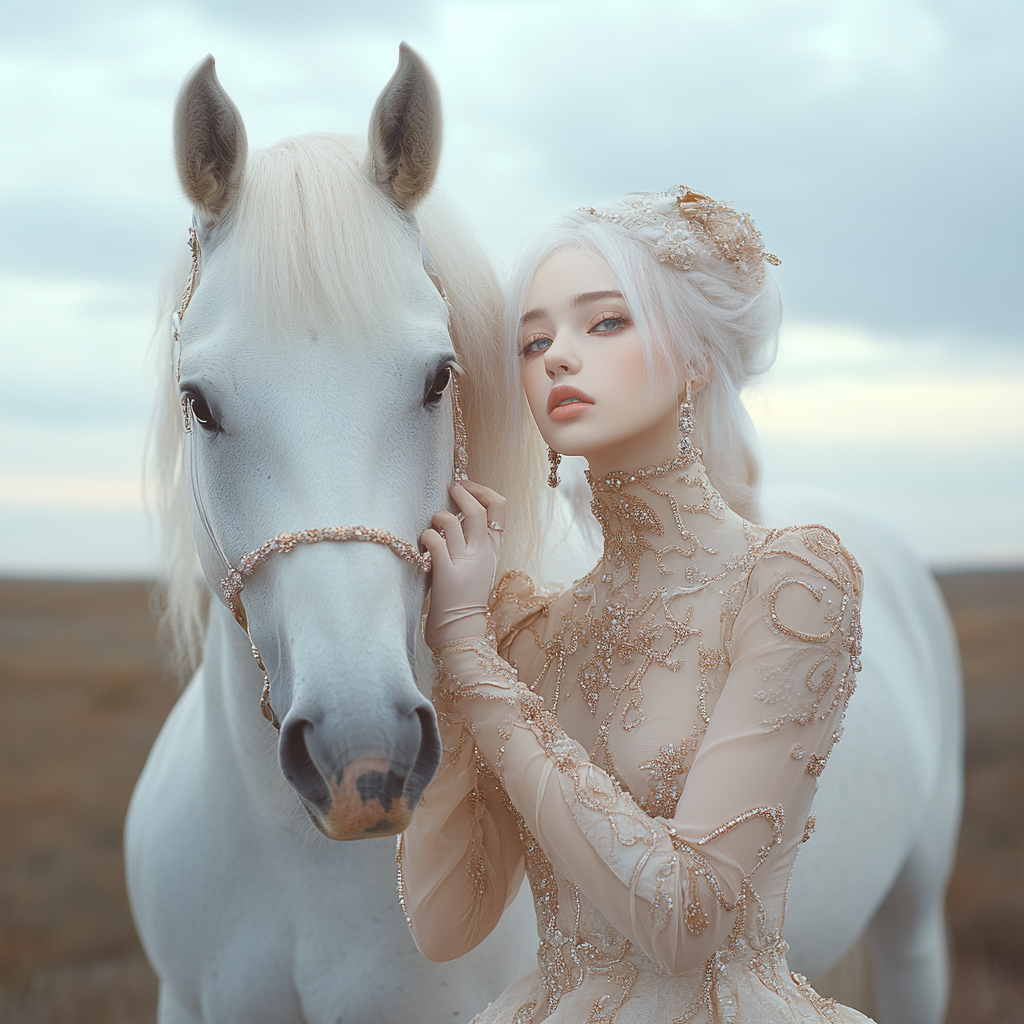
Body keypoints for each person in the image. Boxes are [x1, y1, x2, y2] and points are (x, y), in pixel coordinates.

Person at [399, 186, 871, 1023]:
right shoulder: (530, 633)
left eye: (604, 322)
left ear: (696, 358)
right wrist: (452, 656)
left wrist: (473, 655)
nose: (557, 358)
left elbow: (687, 921)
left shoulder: (792, 580)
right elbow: (444, 923)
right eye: (533, 339)